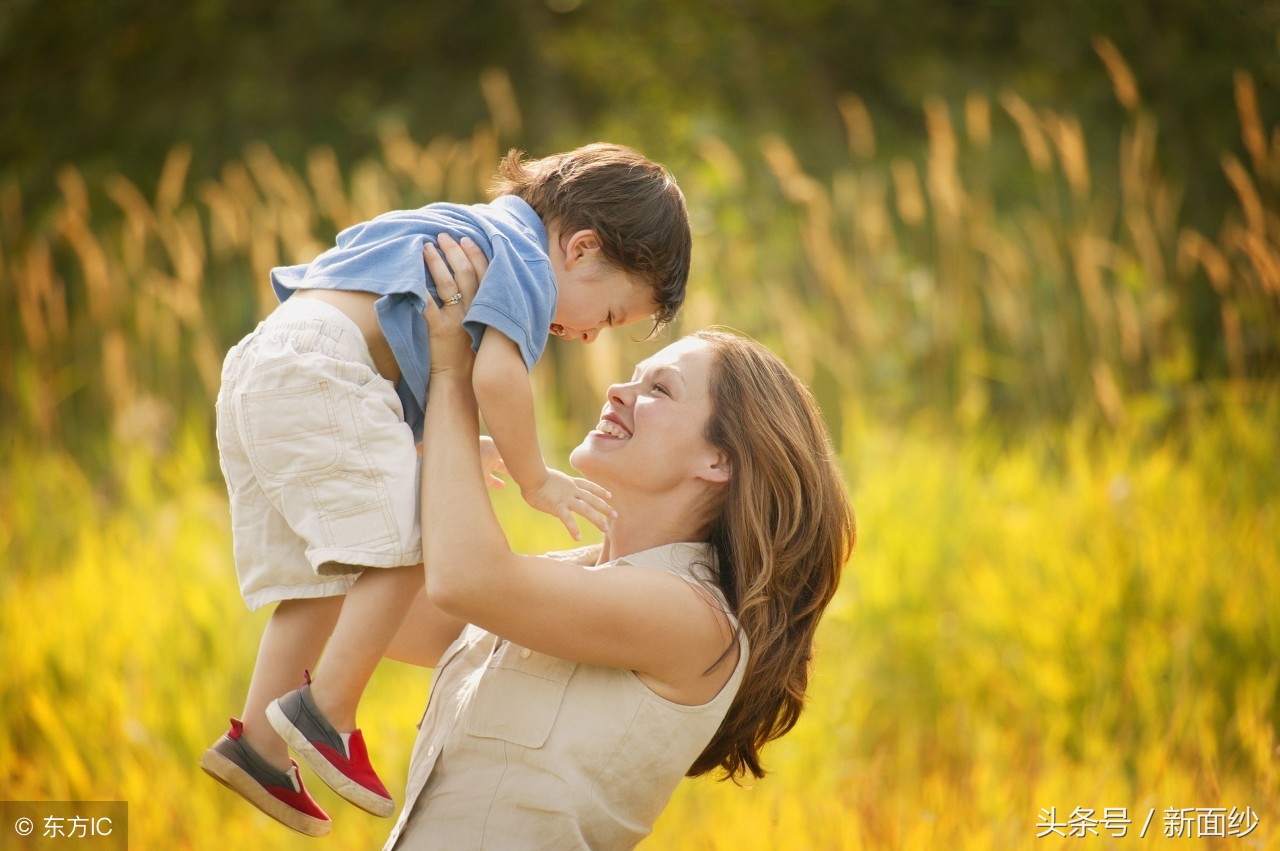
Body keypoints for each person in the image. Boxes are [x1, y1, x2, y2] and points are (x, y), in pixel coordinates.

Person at [201, 144, 693, 836]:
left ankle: (257, 745)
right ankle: (327, 711)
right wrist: (534, 477)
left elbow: (381, 326)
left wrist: (441, 440)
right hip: (322, 369)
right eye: (608, 315)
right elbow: (494, 378)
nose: (588, 336)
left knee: (320, 580)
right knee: (415, 534)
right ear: (580, 249)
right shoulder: (523, 264)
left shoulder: (461, 225)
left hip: (267, 363)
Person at [376, 238, 855, 849]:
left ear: (719, 459)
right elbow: (355, 606)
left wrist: (450, 376)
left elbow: (466, 580)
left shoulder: (695, 618)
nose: (618, 394)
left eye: (660, 390)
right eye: (632, 379)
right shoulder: (561, 580)